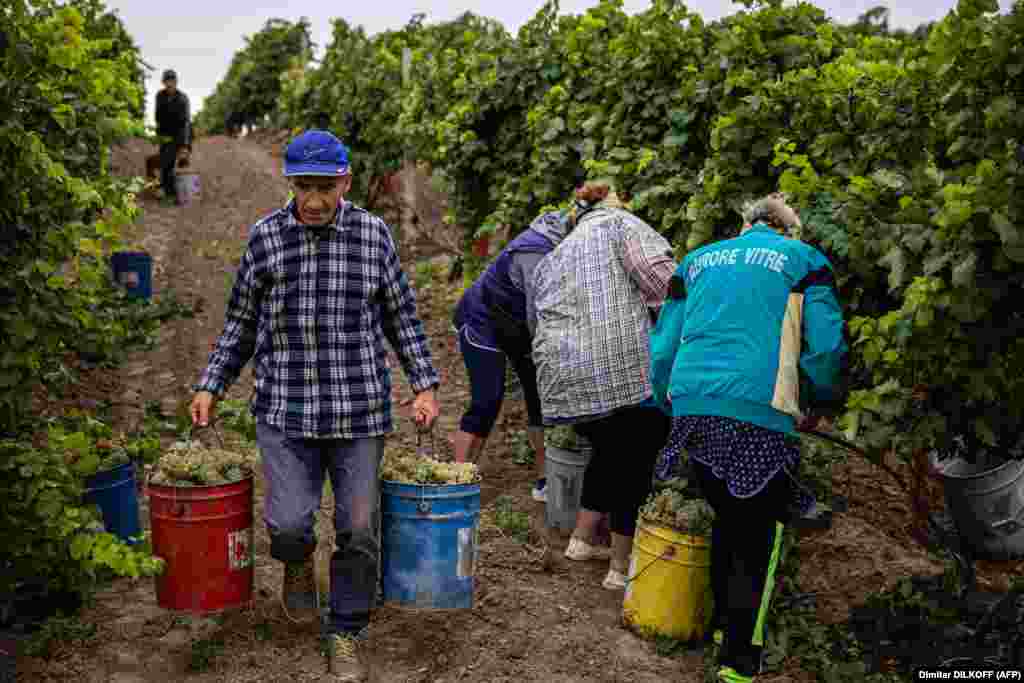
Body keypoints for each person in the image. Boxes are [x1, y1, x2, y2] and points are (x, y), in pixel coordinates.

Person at [190, 129, 441, 681]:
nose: (313, 200)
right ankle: (297, 564)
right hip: (285, 410)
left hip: (358, 411)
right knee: (287, 523)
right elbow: (240, 324)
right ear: (291, 184)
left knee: (357, 527)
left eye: (324, 187)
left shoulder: (373, 237)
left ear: (345, 183)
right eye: (303, 187)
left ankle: (346, 631)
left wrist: (423, 385)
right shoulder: (265, 240)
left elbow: (401, 317)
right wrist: (212, 384)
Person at [649, 194, 847, 683]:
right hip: (758, 411)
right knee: (761, 534)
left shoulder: (696, 261)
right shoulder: (803, 260)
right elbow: (825, 347)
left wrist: (666, 402)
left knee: (726, 517)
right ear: (789, 231)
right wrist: (821, 401)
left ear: (746, 226)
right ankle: (741, 661)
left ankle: (720, 628)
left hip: (693, 405)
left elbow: (662, 350)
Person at [532, 179, 676, 590]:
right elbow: (666, 283)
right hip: (621, 368)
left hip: (570, 377)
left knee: (609, 447)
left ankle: (580, 540)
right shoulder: (621, 225)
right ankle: (619, 566)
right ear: (618, 203)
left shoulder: (565, 245)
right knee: (636, 459)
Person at [451, 209, 574, 502]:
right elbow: (536, 312)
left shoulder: (562, 241)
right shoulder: (535, 250)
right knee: (487, 399)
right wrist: (545, 349)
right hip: (483, 320)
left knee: (538, 398)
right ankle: (457, 479)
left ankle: (545, 480)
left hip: (515, 326)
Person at [155, 69, 191, 205]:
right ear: (163, 83)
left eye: (172, 81)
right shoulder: (160, 96)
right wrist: (161, 137)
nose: (169, 84)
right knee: (166, 164)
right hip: (165, 135)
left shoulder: (183, 99)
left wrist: (185, 145)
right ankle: (169, 193)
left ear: (176, 82)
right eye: (167, 81)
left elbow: (186, 123)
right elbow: (158, 117)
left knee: (181, 163)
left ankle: (181, 193)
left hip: (181, 134)